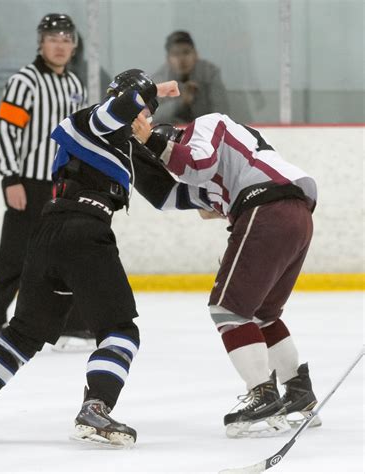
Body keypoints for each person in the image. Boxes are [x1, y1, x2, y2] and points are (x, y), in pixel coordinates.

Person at [0, 70, 180, 446]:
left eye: (150, 113)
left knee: (24, 333)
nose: (146, 119)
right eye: (145, 110)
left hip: (48, 234)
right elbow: (122, 106)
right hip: (85, 232)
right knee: (121, 331)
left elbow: (172, 196)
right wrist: (155, 90)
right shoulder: (89, 120)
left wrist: (221, 199)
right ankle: (96, 408)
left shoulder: (124, 146)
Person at [130, 113, 320, 438]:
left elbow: (196, 165)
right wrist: (132, 154)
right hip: (295, 215)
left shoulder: (203, 126)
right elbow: (171, 197)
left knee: (227, 309)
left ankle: (262, 394)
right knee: (262, 314)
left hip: (267, 209)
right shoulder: (220, 164)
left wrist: (149, 141)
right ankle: (298, 391)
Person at [0, 14, 94, 352]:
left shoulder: (75, 85)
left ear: (74, 46)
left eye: (66, 38)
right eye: (53, 38)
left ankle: (69, 325)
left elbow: (76, 137)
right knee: (16, 257)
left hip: (61, 185)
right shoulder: (24, 82)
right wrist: (10, 178)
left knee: (65, 255)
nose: (60, 44)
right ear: (41, 43)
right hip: (27, 182)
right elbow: (7, 132)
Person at [151, 31, 229, 124]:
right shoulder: (160, 80)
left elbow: (222, 114)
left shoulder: (209, 74)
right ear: (168, 59)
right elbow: (152, 118)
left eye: (186, 52)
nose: (182, 59)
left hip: (207, 132)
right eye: (176, 54)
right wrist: (181, 102)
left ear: (196, 55)